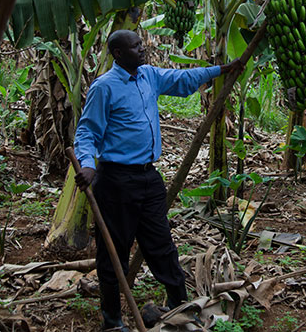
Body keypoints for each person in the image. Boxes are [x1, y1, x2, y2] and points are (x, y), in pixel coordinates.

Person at [74, 29, 243, 331]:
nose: (143, 49)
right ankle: (112, 321)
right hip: (116, 181)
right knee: (114, 253)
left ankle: (180, 306)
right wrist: (87, 165)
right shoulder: (105, 87)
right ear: (118, 54)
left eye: (141, 44)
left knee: (162, 245)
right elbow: (87, 132)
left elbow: (182, 81)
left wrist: (221, 70)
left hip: (148, 178)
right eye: (135, 46)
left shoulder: (149, 76)